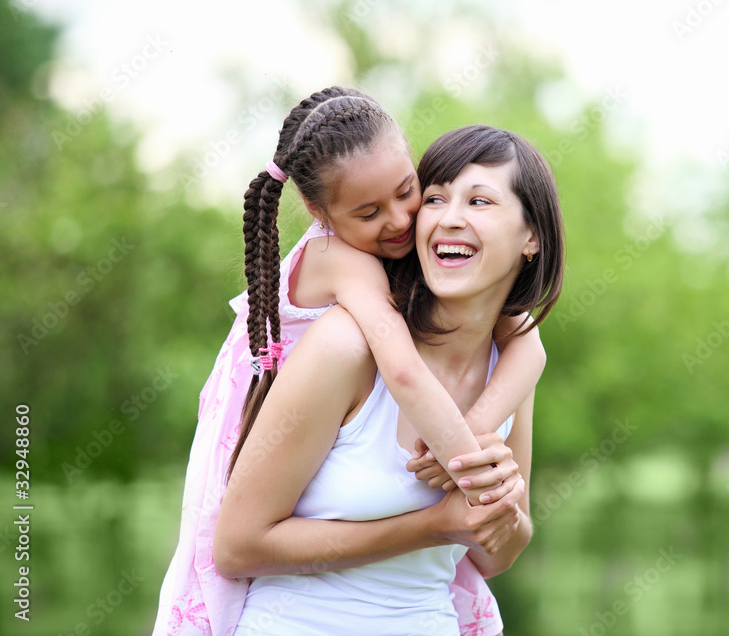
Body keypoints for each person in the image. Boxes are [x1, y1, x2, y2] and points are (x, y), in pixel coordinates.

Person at [152, 88, 548, 635]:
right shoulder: (349, 313)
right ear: (323, 213)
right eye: (437, 198)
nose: (405, 219)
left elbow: (497, 550)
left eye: (411, 193)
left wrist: (494, 487)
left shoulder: (506, 362)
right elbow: (403, 370)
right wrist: (455, 496)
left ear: (532, 237)